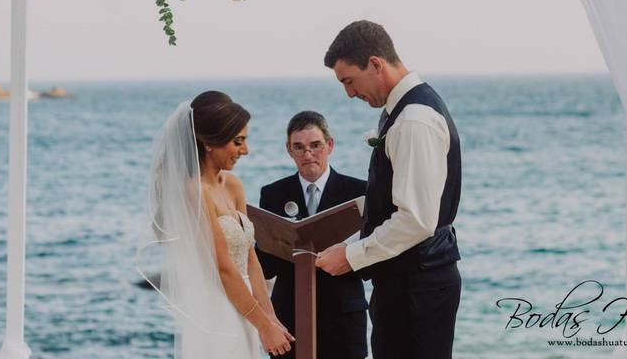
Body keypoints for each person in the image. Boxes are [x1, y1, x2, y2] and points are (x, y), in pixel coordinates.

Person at [315, 21, 462, 359]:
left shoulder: (413, 120)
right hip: (408, 282)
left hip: (417, 288)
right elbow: (395, 208)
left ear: (376, 64)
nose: (349, 94)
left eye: (349, 81)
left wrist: (351, 256)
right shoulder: (404, 111)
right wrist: (349, 243)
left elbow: (416, 221)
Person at [138, 91, 294, 358]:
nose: (245, 150)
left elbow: (250, 259)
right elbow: (223, 269)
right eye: (238, 141)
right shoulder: (194, 192)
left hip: (247, 309)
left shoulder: (234, 185)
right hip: (217, 310)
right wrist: (263, 326)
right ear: (209, 142)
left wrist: (270, 318)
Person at [257, 111, 368, 359]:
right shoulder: (273, 194)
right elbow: (265, 267)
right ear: (289, 150)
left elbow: (371, 258)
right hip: (290, 319)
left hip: (344, 319)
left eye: (315, 145)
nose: (308, 154)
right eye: (299, 147)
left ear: (330, 145)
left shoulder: (359, 191)